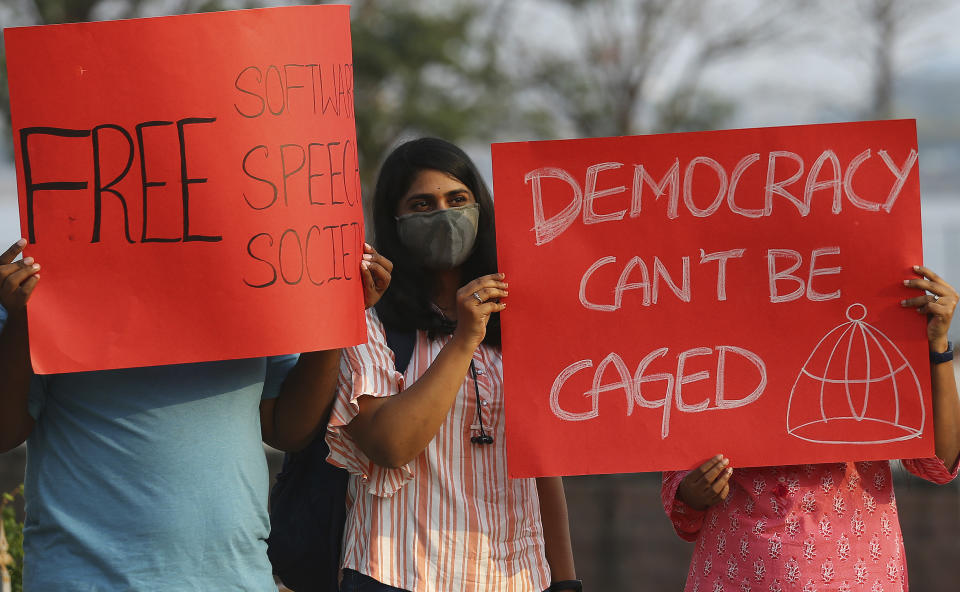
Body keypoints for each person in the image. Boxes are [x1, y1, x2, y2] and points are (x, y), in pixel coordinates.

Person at [0, 237, 392, 590]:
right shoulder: (46, 283)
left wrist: (338, 314)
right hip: (87, 580)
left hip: (233, 578)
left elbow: (284, 429)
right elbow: (6, 431)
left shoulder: (255, 267)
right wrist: (18, 321)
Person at [325, 137, 581, 592]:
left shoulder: (522, 318)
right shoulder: (366, 318)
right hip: (400, 572)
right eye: (422, 204)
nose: (443, 215)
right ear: (395, 220)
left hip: (516, 576)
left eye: (457, 199)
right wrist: (464, 339)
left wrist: (565, 581)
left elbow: (543, 464)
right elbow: (390, 444)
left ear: (480, 206)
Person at [661, 267, 960, 592]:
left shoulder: (863, 316)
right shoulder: (712, 327)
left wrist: (937, 346)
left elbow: (941, 462)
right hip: (740, 571)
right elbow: (682, 489)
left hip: (857, 571)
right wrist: (696, 490)